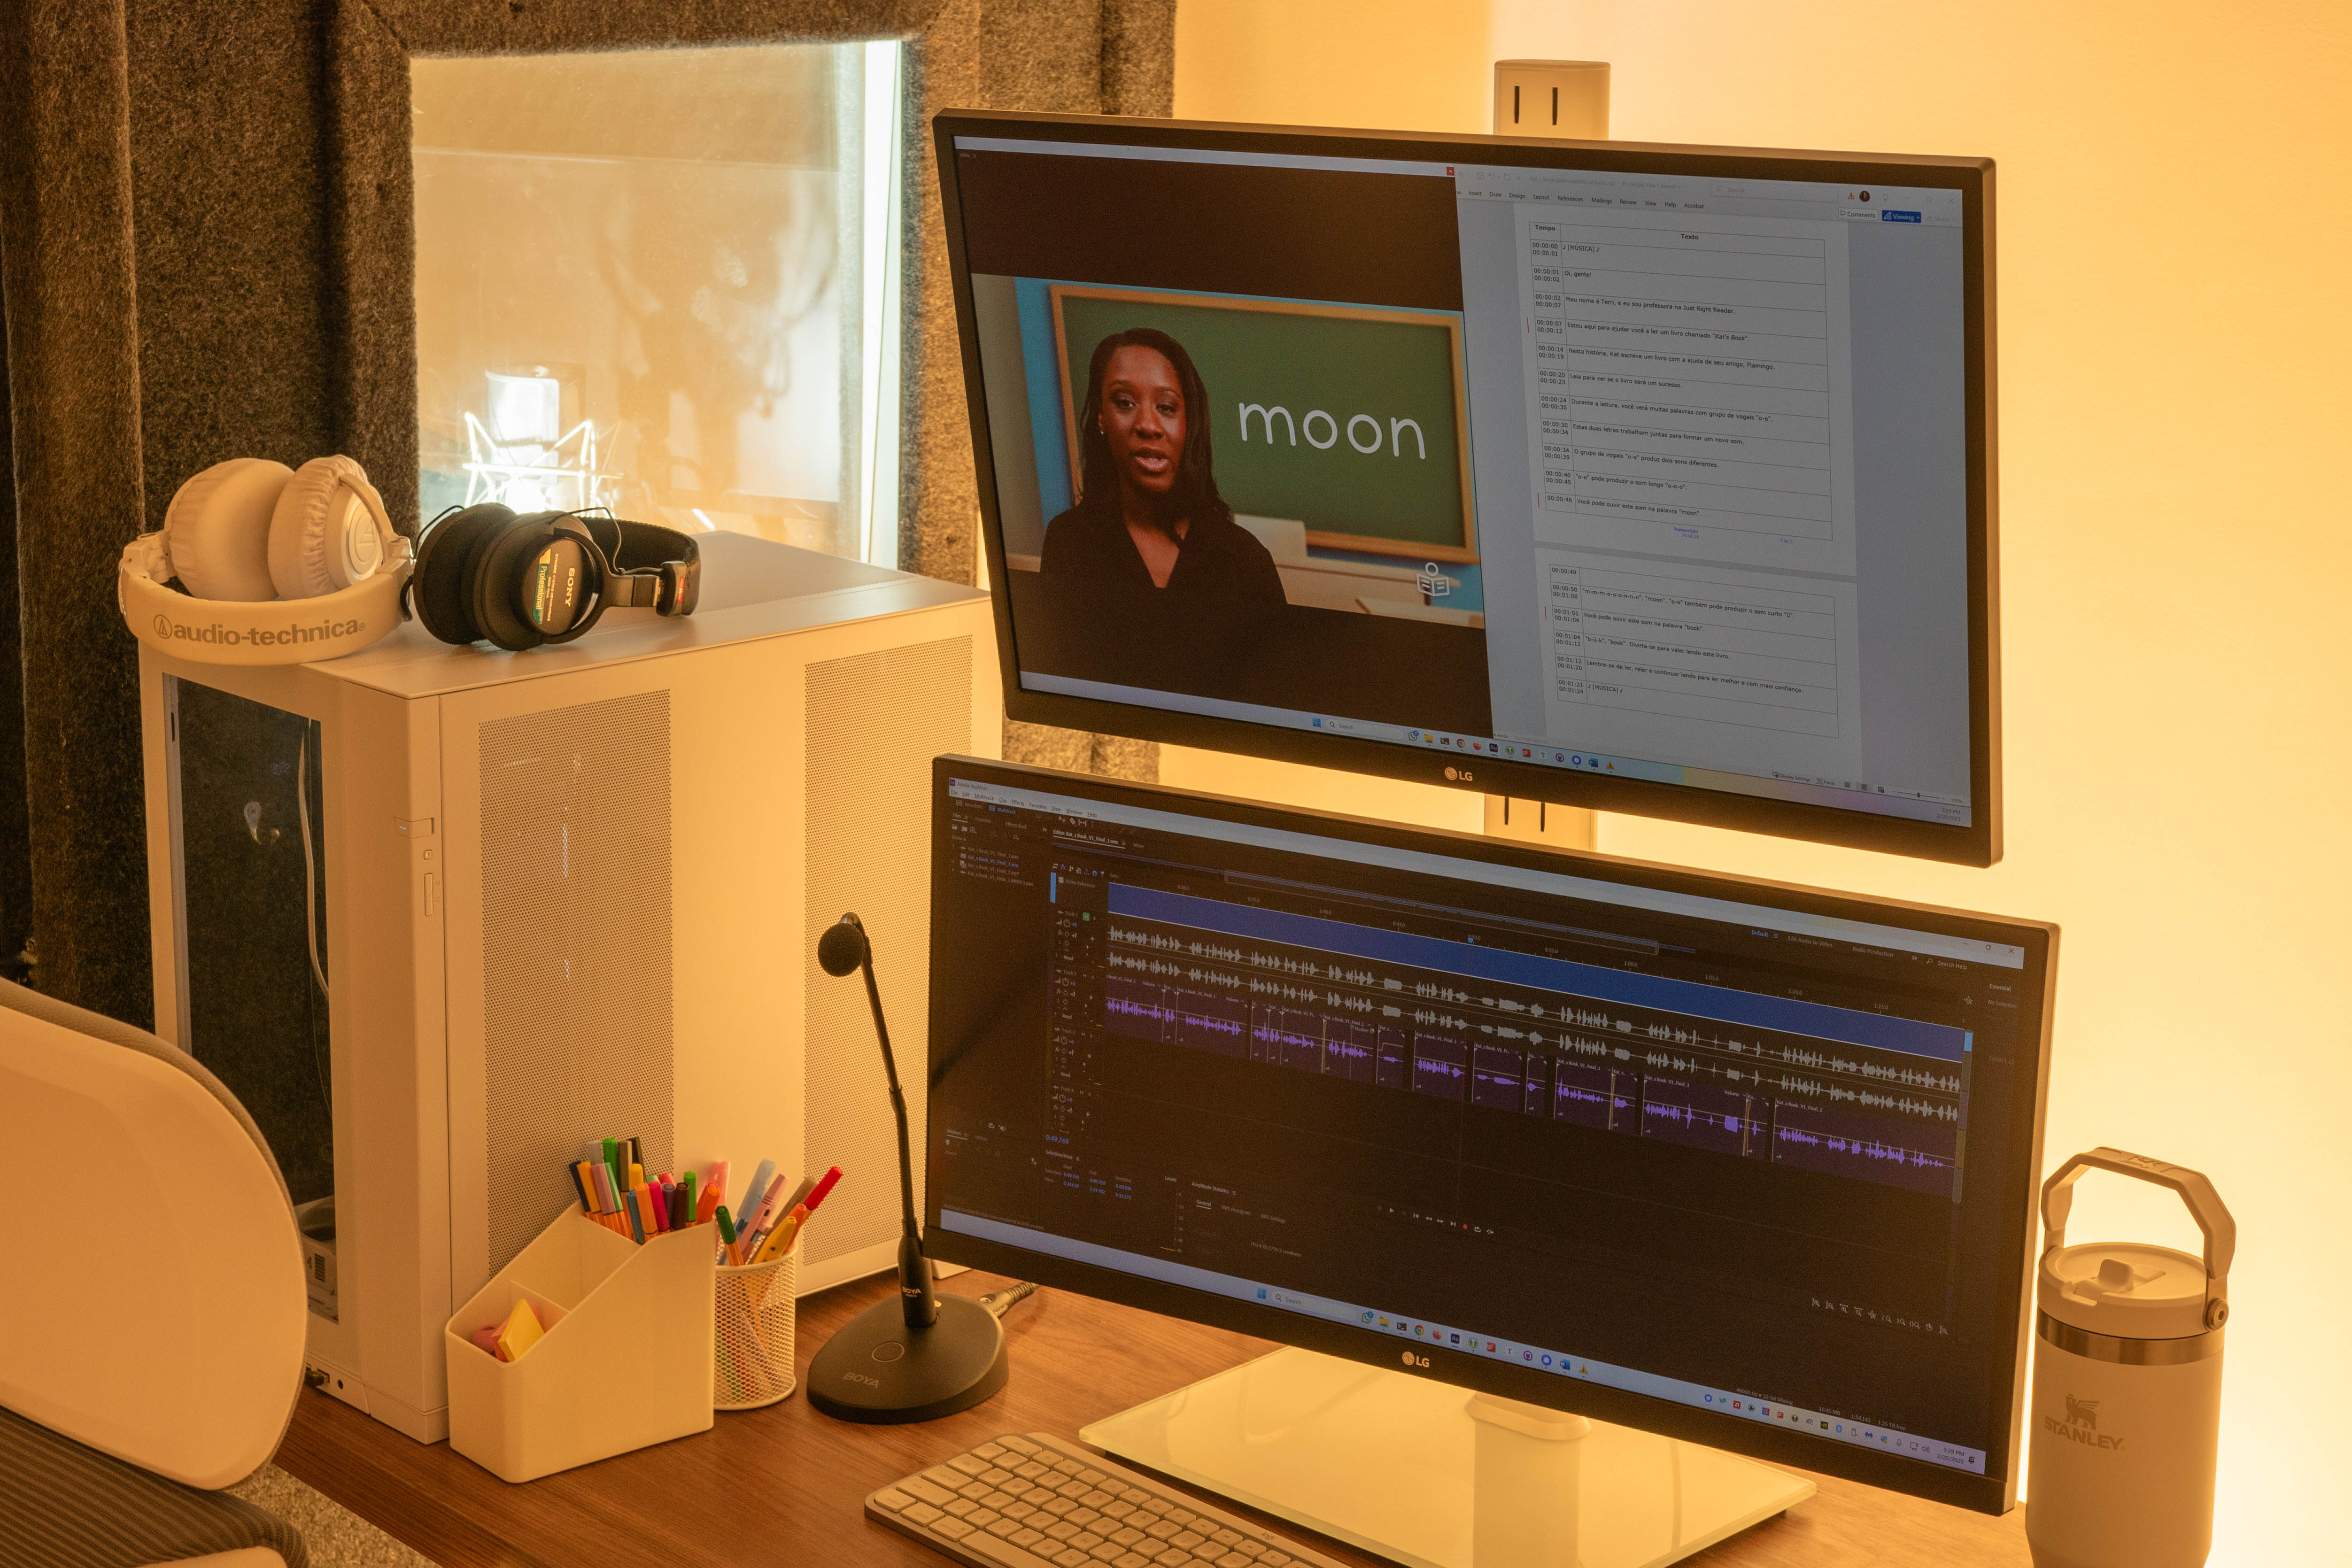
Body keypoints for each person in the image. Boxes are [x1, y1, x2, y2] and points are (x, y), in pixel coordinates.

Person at [1039, 328, 1286, 607]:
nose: (1148, 425)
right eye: (1125, 403)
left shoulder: (1246, 560)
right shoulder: (1070, 540)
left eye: (1166, 407)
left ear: (1189, 422)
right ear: (1101, 418)